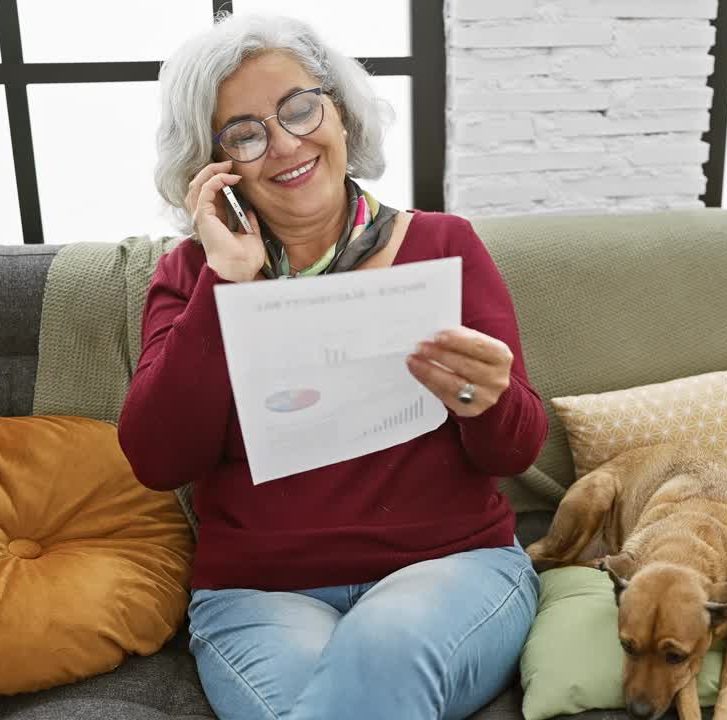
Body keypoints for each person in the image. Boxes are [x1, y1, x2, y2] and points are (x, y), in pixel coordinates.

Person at [116, 12, 548, 720]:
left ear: (341, 112)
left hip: (452, 568)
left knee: (385, 645)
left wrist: (489, 399)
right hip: (261, 595)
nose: (285, 143)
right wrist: (224, 283)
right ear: (213, 167)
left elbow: (517, 445)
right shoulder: (190, 275)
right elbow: (160, 458)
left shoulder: (446, 244)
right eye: (246, 133)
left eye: (299, 108)